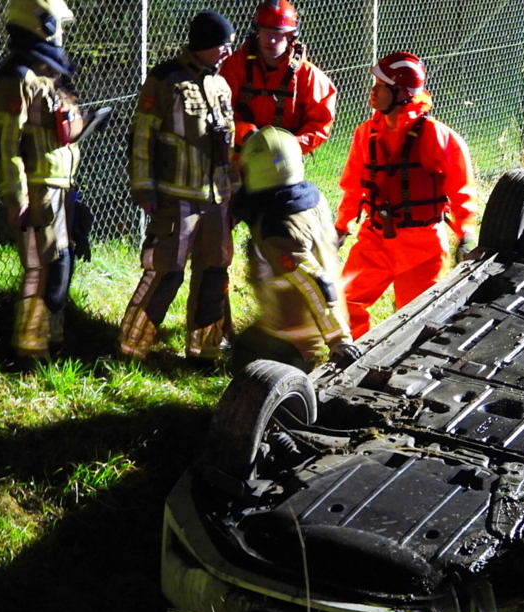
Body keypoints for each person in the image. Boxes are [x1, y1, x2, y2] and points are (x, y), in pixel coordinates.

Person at [118, 10, 238, 366]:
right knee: (165, 272)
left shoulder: (221, 84)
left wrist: (231, 192)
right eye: (222, 46)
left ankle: (205, 352)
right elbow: (142, 137)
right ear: (202, 44)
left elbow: (227, 145)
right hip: (176, 198)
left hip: (215, 199)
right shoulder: (165, 79)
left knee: (215, 273)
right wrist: (143, 187)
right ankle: (131, 347)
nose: (227, 53)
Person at [336, 52, 479, 339]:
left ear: (401, 92)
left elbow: (461, 190)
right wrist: (340, 227)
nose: (372, 92)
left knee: (416, 319)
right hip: (375, 237)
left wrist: (466, 234)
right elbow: (354, 186)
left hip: (422, 245)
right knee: (344, 301)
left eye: (380, 86)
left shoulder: (439, 137)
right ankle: (348, 361)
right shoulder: (366, 134)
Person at [0, 0, 86, 362]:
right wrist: (16, 197)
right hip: (38, 189)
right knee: (44, 268)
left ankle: (51, 342)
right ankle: (30, 352)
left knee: (60, 266)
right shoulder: (17, 76)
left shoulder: (44, 73)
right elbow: (6, 144)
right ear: (41, 23)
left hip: (60, 184)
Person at [231, 126, 360, 372]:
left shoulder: (276, 227)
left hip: (290, 333)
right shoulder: (310, 197)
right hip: (319, 316)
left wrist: (337, 339)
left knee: (246, 360)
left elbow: (314, 282)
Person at [219, 0, 336, 160]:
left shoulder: (308, 75)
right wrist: (246, 134)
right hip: (239, 157)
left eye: (278, 33)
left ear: (290, 35)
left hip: (284, 161)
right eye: (266, 31)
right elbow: (219, 113)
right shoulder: (235, 65)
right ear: (257, 32)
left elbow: (320, 124)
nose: (271, 39)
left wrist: (288, 147)